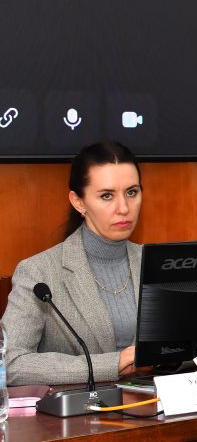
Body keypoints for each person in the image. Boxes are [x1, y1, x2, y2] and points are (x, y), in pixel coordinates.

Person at [3, 142, 143, 386]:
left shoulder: (159, 263)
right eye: (107, 195)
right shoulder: (39, 272)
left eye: (132, 192)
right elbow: (11, 362)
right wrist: (113, 363)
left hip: (160, 402)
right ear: (78, 202)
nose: (124, 208)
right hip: (81, 408)